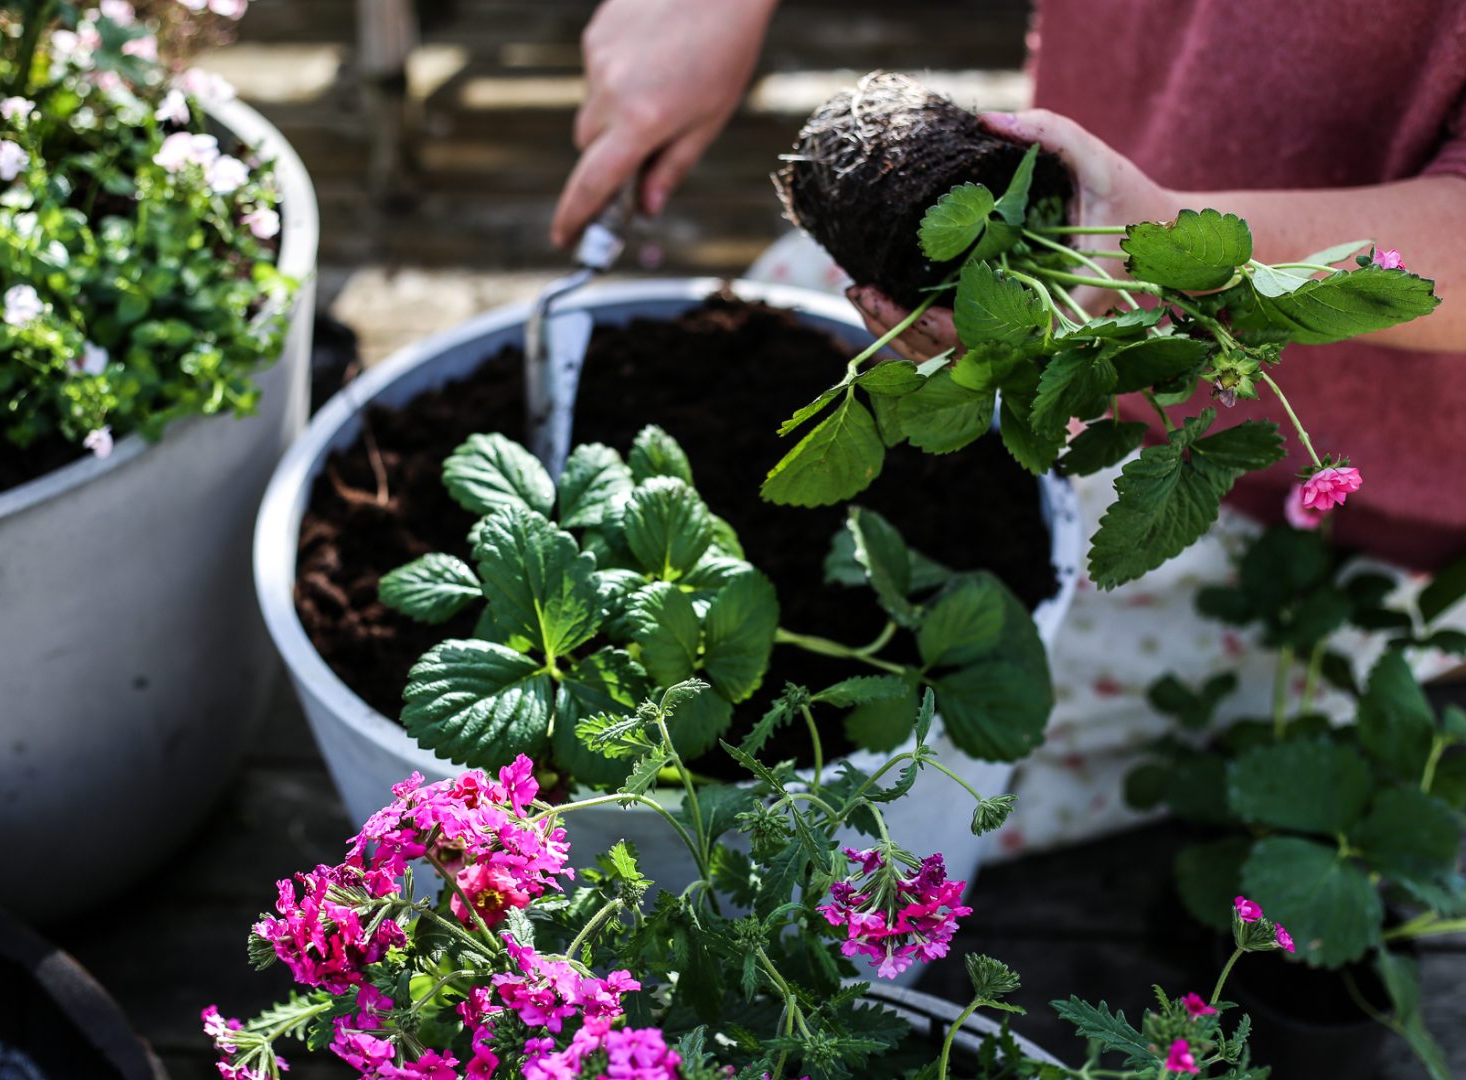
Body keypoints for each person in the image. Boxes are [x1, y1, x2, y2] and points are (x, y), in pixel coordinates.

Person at [551, 0, 1466, 855]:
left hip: (1314, 489)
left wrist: (1155, 239)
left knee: (858, 810)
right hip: (1049, 225)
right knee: (751, 360)